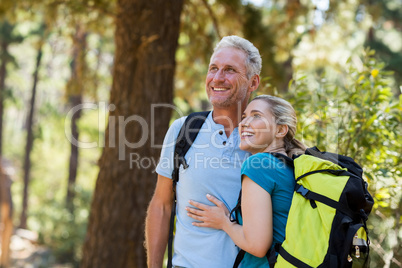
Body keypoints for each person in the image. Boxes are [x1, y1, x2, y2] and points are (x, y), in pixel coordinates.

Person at [145, 35, 262, 268]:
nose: (217, 78)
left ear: (253, 82)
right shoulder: (182, 130)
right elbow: (161, 205)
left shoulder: (265, 139)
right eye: (213, 68)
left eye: (229, 70)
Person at [186, 95, 306, 267]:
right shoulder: (291, 166)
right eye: (244, 117)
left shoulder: (258, 165)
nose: (243, 123)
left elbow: (257, 246)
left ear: (280, 130)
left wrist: (223, 222)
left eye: (256, 116)